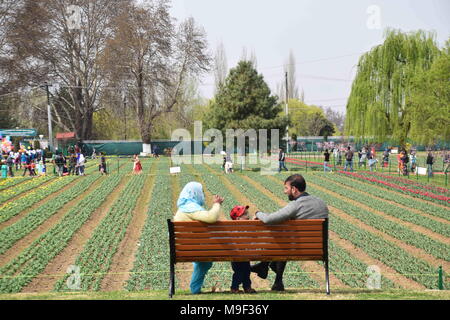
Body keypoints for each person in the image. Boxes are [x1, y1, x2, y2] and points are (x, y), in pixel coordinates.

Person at [250, 174, 329, 291]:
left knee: (282, 239)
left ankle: (265, 266)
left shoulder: (296, 205)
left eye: (286, 188)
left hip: (297, 249)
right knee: (285, 237)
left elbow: (268, 219)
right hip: (318, 249)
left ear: (294, 189)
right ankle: (273, 277)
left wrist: (257, 213)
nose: (284, 191)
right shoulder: (321, 203)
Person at [173, 182, 225, 294]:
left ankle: (195, 289)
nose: (203, 195)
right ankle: (195, 289)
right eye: (201, 192)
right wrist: (216, 204)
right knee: (204, 261)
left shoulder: (183, 208)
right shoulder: (191, 208)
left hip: (182, 249)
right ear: (195, 193)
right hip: (193, 249)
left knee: (204, 262)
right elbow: (211, 218)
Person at [229, 205, 257, 294]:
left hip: (244, 255)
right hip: (237, 256)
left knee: (246, 270)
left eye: (247, 213)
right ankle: (234, 287)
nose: (247, 216)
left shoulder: (241, 229)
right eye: (244, 214)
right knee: (239, 272)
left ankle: (247, 287)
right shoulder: (236, 230)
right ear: (237, 219)